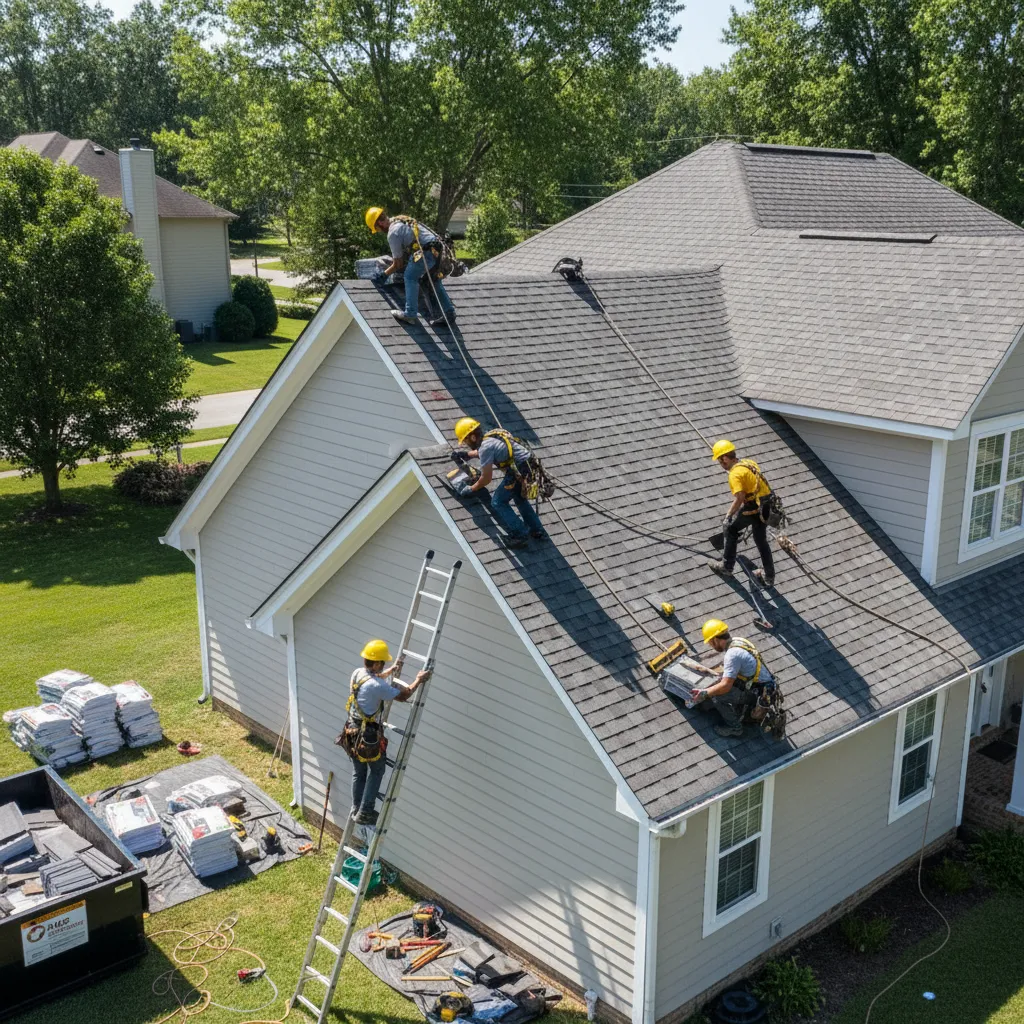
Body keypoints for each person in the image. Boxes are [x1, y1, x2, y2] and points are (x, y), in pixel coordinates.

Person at [341, 639, 431, 825]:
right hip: (367, 735)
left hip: (351, 730)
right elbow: (405, 695)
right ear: (375, 663)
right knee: (377, 770)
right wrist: (418, 680)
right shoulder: (377, 686)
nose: (384, 665)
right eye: (382, 663)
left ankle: (356, 808)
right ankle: (366, 810)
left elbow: (372, 678)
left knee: (359, 772)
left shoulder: (358, 673)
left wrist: (390, 672)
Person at [453, 417, 548, 550]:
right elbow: (486, 451)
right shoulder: (490, 436)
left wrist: (471, 488)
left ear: (473, 437)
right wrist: (467, 454)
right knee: (519, 499)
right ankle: (537, 530)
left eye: (466, 441)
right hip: (528, 466)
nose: (466, 444)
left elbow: (486, 478)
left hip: (519, 470)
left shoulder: (486, 447)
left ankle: (520, 535)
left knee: (498, 502)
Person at [365, 206, 456, 329]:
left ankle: (410, 314)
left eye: (377, 228)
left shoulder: (393, 233)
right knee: (433, 280)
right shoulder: (399, 219)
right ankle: (449, 312)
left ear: (380, 223)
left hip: (426, 252)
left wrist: (383, 275)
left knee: (410, 277)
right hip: (438, 249)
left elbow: (398, 264)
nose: (379, 231)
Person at [707, 439, 776, 588]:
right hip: (765, 504)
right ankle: (769, 577)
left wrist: (728, 516)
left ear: (725, 458)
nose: (720, 465)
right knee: (760, 539)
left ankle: (726, 566)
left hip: (754, 506)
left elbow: (740, 498)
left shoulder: (735, 474)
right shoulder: (748, 463)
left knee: (731, 529)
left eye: (720, 461)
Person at [691, 619, 775, 738]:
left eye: (710, 643)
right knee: (719, 683)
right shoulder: (738, 641)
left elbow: (725, 686)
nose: (711, 646)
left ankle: (735, 728)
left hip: (758, 695)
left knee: (717, 695)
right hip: (763, 686)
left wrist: (705, 693)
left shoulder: (732, 655)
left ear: (715, 639)